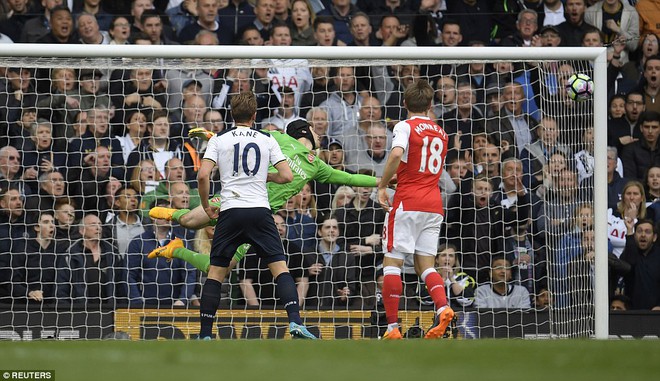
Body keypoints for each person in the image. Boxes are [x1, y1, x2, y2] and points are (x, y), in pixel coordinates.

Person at [147, 119, 378, 272]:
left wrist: (382, 181)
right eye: (316, 131)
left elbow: (350, 179)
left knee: (218, 269)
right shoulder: (276, 138)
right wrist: (213, 135)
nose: (320, 136)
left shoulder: (317, 165)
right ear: (304, 131)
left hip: (260, 216)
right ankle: (172, 214)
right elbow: (242, 137)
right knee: (189, 221)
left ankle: (176, 249)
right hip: (238, 197)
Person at [194, 91, 315, 340]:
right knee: (280, 269)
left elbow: (203, 175)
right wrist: (264, 176)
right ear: (255, 115)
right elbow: (287, 176)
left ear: (231, 113)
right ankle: (295, 322)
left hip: (230, 210)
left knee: (216, 272)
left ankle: (205, 333)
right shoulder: (267, 138)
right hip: (260, 211)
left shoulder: (219, 139)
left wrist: (206, 206)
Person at [376, 80, 454, 340]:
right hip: (433, 205)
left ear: (404, 103)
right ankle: (443, 307)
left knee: (392, 263)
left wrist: (382, 186)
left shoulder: (404, 126)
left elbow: (397, 154)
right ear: (431, 105)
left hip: (408, 202)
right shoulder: (441, 133)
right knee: (426, 266)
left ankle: (392, 328)